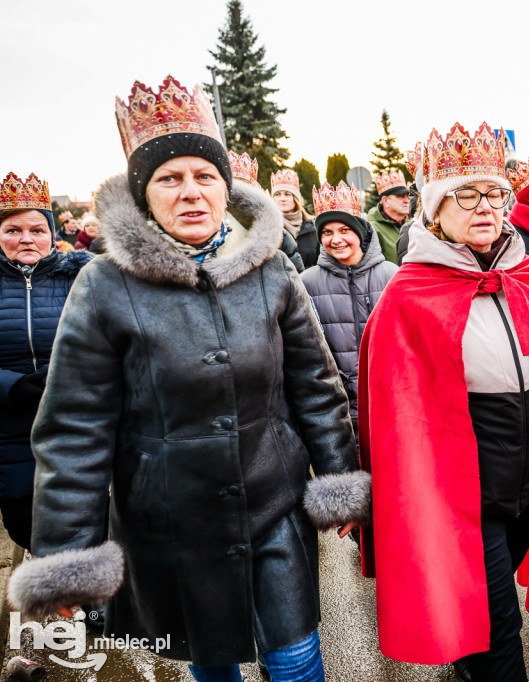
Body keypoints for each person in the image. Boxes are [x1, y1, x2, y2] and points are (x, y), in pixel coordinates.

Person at [7, 75, 371, 681]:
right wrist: (68, 555)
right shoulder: (103, 286)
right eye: (169, 179)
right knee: (213, 660)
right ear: (144, 194)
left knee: (297, 657)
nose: (192, 193)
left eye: (205, 176)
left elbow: (315, 383)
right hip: (168, 518)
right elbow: (74, 428)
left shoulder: (272, 267)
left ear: (226, 187)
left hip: (273, 504)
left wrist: (340, 479)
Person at [359, 121, 529, 682]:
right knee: (498, 626)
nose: (485, 206)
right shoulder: (408, 296)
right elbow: (394, 413)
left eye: (495, 193)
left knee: (490, 596)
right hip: (462, 488)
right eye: (467, 193)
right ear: (435, 208)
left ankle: (468, 653)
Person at [0, 172, 91, 550]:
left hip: (76, 425)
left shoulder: (83, 277)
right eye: (13, 229)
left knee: (88, 531)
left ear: (53, 234)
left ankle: (94, 610)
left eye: (37, 229)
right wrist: (13, 386)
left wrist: (73, 379)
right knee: (28, 532)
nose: (26, 239)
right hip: (10, 431)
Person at [301, 180, 397, 442]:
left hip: (388, 402)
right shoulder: (307, 282)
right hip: (337, 408)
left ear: (360, 232)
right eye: (327, 232)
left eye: (345, 230)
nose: (336, 239)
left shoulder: (392, 276)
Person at [227, 151, 303, 272]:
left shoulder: (277, 232)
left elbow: (295, 275)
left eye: (243, 191)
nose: (237, 197)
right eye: (233, 190)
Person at [272, 169, 319, 268]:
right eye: (277, 194)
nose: (282, 199)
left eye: (287, 194)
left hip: (308, 281)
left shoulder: (312, 225)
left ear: (296, 198)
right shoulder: (269, 226)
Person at [366, 170, 410, 265]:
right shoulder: (373, 229)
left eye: (407, 196)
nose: (407, 200)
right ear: (385, 201)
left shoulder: (412, 224)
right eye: (401, 196)